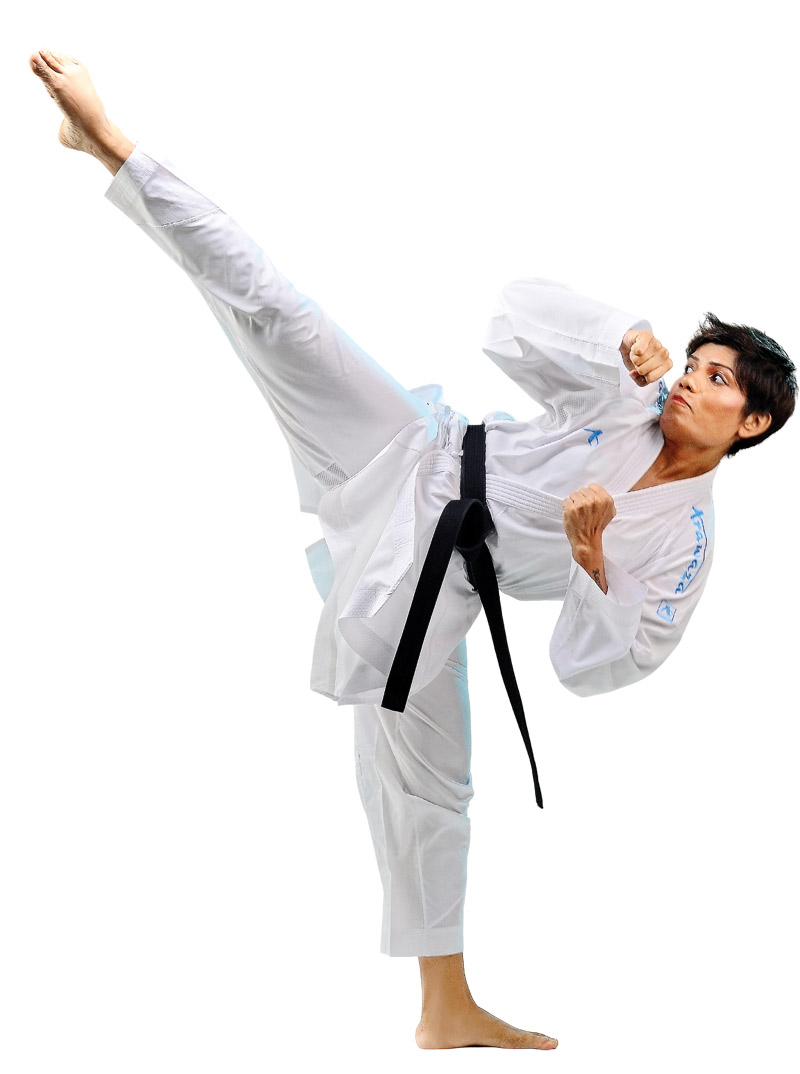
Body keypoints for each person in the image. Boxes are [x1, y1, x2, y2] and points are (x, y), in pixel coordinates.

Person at [29, 48, 796, 1051]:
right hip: (410, 449)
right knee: (275, 312)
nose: (691, 380)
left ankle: (445, 1008)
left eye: (718, 379)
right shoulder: (634, 393)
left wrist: (591, 563)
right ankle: (110, 144)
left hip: (443, 587)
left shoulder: (686, 546)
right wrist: (625, 334)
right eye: (696, 363)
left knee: (434, 786)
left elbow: (602, 663)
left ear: (751, 424)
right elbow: (513, 313)